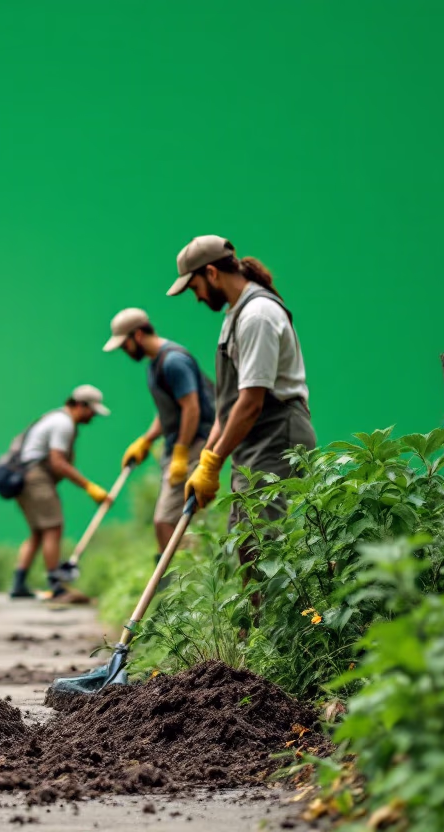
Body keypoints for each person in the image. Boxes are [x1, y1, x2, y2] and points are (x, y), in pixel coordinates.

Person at [166, 235, 316, 603]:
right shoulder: (234, 316)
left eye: (195, 286)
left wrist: (215, 461)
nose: (197, 296)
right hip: (252, 436)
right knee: (246, 541)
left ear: (212, 273)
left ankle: (283, 642)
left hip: (277, 431)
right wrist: (206, 460)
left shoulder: (258, 316)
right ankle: (261, 635)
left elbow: (250, 402)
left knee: (265, 543)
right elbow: (227, 408)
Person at [103, 307, 215, 555]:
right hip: (179, 444)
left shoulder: (174, 362)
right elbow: (169, 412)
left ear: (138, 335)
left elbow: (191, 408)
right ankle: (188, 575)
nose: (124, 350)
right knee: (173, 522)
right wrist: (146, 440)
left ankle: (185, 577)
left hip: (193, 443)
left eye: (124, 344)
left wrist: (181, 452)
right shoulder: (155, 365)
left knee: (165, 521)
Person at [9, 385, 113, 600]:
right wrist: (89, 486)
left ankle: (19, 584)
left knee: (38, 532)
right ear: (81, 405)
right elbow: (58, 462)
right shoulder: (63, 423)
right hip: (36, 477)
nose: (92, 417)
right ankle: (56, 585)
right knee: (53, 528)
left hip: (24, 476)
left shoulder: (55, 417)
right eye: (91, 411)